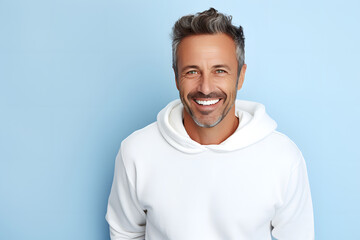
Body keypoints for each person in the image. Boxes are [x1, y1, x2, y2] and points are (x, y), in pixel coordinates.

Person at [105, 8, 314, 240]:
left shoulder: (283, 157)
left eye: (220, 71)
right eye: (192, 71)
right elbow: (125, 234)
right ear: (176, 77)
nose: (205, 87)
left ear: (240, 76)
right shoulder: (136, 152)